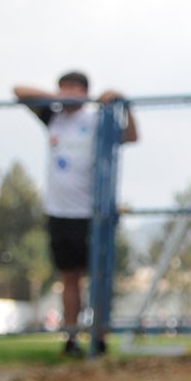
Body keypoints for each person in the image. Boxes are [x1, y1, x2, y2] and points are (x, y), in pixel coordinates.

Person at [14, 71, 138, 357]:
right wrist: (57, 97)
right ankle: (71, 339)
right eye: (63, 89)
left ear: (85, 91)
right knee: (69, 278)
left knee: (99, 277)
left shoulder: (98, 120)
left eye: (73, 88)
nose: (67, 94)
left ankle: (100, 336)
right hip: (59, 213)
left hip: (92, 213)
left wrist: (124, 105)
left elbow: (131, 136)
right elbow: (19, 90)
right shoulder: (53, 117)